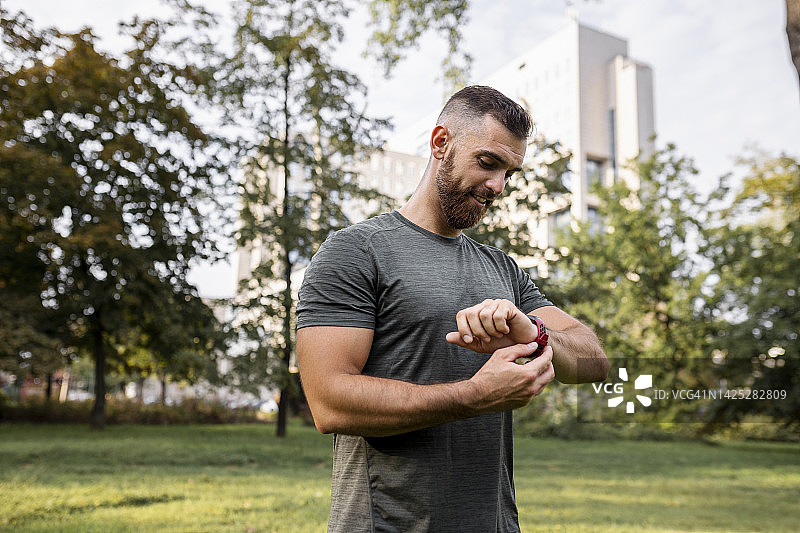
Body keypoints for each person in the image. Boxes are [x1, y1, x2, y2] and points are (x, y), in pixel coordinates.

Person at [296, 85, 609, 533]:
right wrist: (475, 396)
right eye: (488, 163)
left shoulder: (502, 268)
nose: (498, 186)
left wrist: (532, 331)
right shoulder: (356, 251)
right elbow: (329, 402)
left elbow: (594, 362)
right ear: (441, 143)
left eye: (509, 173)